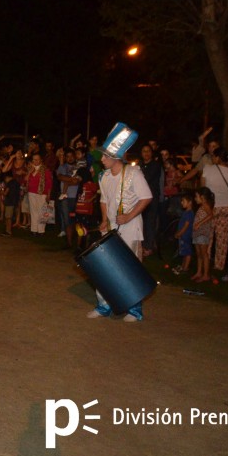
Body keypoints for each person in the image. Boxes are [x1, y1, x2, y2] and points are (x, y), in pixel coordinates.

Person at [87, 123, 152, 322]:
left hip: (130, 227)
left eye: (105, 156)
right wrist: (104, 220)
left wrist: (129, 216)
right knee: (104, 265)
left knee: (129, 267)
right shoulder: (104, 176)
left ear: (116, 158)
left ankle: (134, 309)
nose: (102, 159)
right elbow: (104, 200)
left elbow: (146, 197)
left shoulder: (133, 174)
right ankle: (104, 305)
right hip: (112, 227)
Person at [201, 147, 228, 273]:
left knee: (208, 236)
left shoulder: (207, 169)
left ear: (217, 157)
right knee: (222, 238)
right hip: (226, 207)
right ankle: (219, 265)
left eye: (213, 156)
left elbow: (203, 189)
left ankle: (205, 261)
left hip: (211, 207)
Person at [56, 148, 81, 248]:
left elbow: (78, 181)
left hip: (76, 197)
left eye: (71, 156)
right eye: (67, 156)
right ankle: (69, 242)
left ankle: (78, 243)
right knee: (67, 220)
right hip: (66, 197)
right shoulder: (62, 167)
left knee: (77, 220)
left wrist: (68, 180)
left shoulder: (79, 167)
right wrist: (72, 179)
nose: (70, 158)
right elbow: (60, 177)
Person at [191, 187, 215, 282]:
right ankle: (199, 272)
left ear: (203, 197)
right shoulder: (201, 207)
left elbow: (211, 215)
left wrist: (199, 223)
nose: (195, 199)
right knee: (199, 254)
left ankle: (206, 275)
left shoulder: (206, 205)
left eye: (196, 197)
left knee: (204, 254)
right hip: (197, 233)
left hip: (203, 233)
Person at [26, 153, 52, 236]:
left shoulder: (45, 170)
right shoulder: (30, 169)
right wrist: (29, 172)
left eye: (37, 159)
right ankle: (34, 229)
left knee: (42, 211)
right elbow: (26, 179)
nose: (35, 161)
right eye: (34, 159)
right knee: (33, 211)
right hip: (31, 192)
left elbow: (49, 183)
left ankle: (41, 230)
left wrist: (48, 194)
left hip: (42, 193)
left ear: (41, 160)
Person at [172, 191, 195, 275]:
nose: (181, 203)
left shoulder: (189, 213)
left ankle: (185, 268)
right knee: (184, 251)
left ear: (190, 203)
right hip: (183, 236)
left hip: (186, 236)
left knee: (188, 252)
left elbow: (186, 226)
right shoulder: (186, 212)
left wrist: (180, 233)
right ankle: (183, 266)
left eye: (183, 201)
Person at [0, 171, 20, 238]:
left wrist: (0, 192)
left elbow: (5, 193)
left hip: (9, 202)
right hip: (15, 202)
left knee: (8, 218)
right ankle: (8, 231)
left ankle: (8, 231)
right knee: (10, 217)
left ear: (7, 177)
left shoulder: (9, 183)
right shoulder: (16, 182)